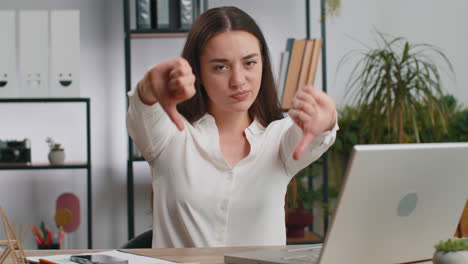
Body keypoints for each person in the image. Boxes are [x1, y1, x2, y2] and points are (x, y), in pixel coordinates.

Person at [127, 6, 338, 248]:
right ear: (198, 72)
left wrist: (327, 119)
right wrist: (148, 88)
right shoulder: (170, 136)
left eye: (249, 63)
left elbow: (311, 134)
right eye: (220, 67)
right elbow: (143, 110)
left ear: (262, 64)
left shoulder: (279, 139)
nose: (238, 80)